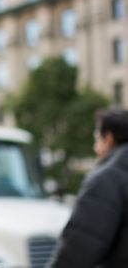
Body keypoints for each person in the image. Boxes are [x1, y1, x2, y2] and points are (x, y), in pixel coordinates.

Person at [50, 109, 128, 267]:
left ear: (108, 139)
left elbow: (74, 256)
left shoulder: (107, 180)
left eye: (96, 139)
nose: (95, 148)